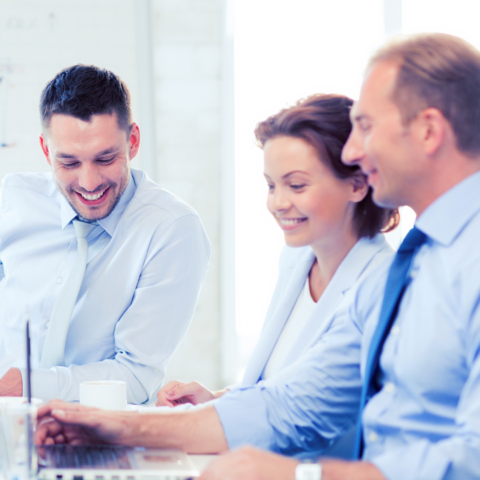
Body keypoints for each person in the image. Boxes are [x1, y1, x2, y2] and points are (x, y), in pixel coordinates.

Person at [36, 32, 480, 480]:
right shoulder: (418, 262)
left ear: (428, 131)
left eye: (366, 126)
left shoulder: (440, 264)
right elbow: (293, 404)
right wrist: (117, 426)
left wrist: (300, 476)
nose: (353, 151)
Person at [156, 93, 396, 410]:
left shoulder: (383, 286)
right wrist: (213, 400)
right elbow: (274, 387)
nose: (277, 203)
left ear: (356, 185)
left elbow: (317, 410)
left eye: (296, 186)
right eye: (271, 186)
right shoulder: (297, 258)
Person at [0, 65, 210, 404]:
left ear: (133, 141)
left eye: (105, 158)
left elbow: (136, 377)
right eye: (69, 163)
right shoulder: (12, 200)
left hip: (101, 427)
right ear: (46, 150)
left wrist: (27, 385)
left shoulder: (172, 229)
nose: (89, 182)